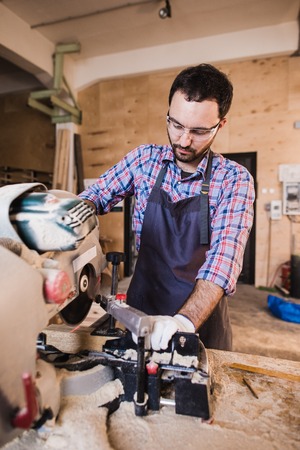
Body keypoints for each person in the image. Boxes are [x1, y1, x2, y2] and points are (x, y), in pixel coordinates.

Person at [79, 63, 255, 352]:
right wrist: (70, 216)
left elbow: (224, 260)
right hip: (142, 309)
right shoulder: (144, 160)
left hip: (201, 320)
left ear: (220, 124)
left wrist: (184, 322)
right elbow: (95, 195)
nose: (184, 140)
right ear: (168, 115)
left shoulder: (234, 180)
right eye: (176, 125)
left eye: (198, 131)